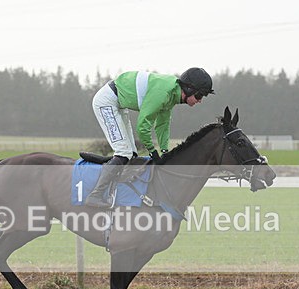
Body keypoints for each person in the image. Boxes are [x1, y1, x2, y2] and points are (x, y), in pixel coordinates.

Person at [85, 67, 214, 207]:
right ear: (188, 89)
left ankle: (120, 194)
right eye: (199, 96)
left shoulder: (172, 93)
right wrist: (152, 151)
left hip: (119, 104)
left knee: (131, 155)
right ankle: (95, 195)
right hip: (107, 102)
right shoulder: (163, 93)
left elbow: (162, 125)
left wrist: (164, 151)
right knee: (124, 152)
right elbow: (142, 126)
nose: (200, 101)